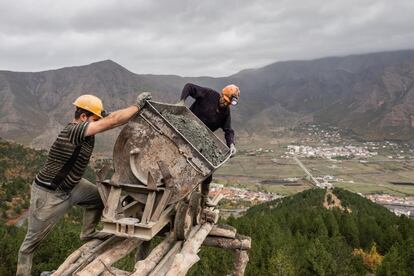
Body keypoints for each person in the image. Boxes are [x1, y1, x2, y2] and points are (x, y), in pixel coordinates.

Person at [16, 92, 152, 276]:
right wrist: (137, 105)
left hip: (72, 186)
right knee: (29, 245)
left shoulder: (87, 127)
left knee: (100, 198)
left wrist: (139, 110)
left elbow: (114, 119)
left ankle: (87, 233)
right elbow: (111, 121)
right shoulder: (74, 131)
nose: (98, 122)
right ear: (83, 117)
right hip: (49, 193)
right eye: (95, 119)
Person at [177, 83, 240, 206]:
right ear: (222, 95)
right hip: (186, 128)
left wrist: (231, 144)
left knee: (208, 167)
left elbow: (228, 130)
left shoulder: (225, 112)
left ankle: (204, 197)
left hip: (202, 139)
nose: (225, 104)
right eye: (225, 100)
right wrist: (181, 101)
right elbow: (189, 87)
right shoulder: (208, 94)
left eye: (228, 103)